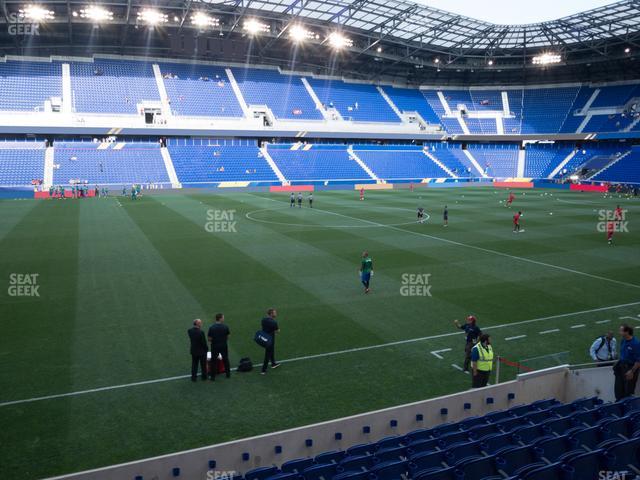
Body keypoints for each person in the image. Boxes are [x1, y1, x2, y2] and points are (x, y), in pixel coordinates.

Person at [614, 324, 640, 401]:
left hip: (630, 369)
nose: (619, 332)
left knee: (628, 392)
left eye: (621, 331)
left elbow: (639, 360)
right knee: (618, 391)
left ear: (627, 332)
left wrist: (632, 371)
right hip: (621, 368)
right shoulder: (623, 341)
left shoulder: (636, 343)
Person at [208, 313, 231, 381]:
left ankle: (213, 377)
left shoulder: (212, 327)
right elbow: (228, 336)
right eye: (223, 317)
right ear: (220, 318)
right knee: (225, 359)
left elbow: (209, 339)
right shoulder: (225, 327)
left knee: (213, 361)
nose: (224, 319)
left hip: (215, 346)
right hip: (223, 345)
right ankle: (228, 374)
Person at [261, 308, 280, 375]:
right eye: (275, 313)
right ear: (271, 314)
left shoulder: (263, 320)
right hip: (270, 339)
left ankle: (273, 363)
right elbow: (278, 331)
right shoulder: (274, 322)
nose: (276, 314)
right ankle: (263, 370)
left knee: (271, 350)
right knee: (268, 354)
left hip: (265, 338)